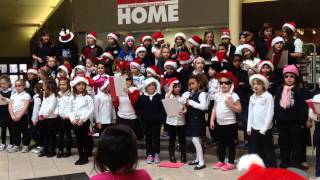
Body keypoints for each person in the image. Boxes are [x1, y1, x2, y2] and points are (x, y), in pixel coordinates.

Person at [274, 64, 309, 169]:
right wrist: (277, 118)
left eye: (292, 76)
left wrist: (302, 121)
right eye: (286, 76)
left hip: (296, 123)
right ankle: (285, 164)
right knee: (284, 145)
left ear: (296, 77)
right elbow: (277, 105)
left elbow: (303, 107)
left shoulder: (300, 90)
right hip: (282, 122)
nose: (289, 78)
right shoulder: (280, 89)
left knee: (296, 145)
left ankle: (295, 165)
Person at [210, 71, 241, 171]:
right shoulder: (217, 95)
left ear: (231, 84)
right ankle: (221, 160)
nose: (223, 84)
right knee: (221, 143)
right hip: (220, 123)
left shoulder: (233, 95)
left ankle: (231, 162)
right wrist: (211, 120)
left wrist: (231, 105)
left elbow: (239, 109)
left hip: (230, 124)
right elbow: (214, 108)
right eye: (221, 82)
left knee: (230, 144)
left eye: (226, 83)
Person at [247, 74, 276, 167]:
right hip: (254, 127)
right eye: (254, 84)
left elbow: (270, 113)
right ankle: (259, 167)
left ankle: (270, 168)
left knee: (268, 149)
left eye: (258, 84)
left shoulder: (268, 97)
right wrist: (249, 126)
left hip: (265, 129)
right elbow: (250, 112)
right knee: (256, 149)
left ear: (263, 85)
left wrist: (265, 128)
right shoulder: (252, 97)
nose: (255, 86)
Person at [136, 78, 166, 164]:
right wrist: (142, 117)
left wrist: (160, 118)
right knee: (148, 138)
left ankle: (156, 153)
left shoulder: (159, 96)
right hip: (145, 122)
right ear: (146, 87)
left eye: (153, 85)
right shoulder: (141, 98)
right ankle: (149, 154)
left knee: (156, 138)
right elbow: (139, 110)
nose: (151, 87)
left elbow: (163, 109)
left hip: (156, 122)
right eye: (149, 85)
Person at [69, 77, 94, 165]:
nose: (81, 86)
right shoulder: (72, 97)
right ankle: (81, 156)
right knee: (78, 140)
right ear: (75, 86)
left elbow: (90, 109)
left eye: (83, 85)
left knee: (85, 139)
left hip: (84, 122)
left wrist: (83, 119)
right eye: (79, 85)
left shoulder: (87, 97)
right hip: (76, 122)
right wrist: (72, 119)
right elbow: (70, 110)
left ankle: (85, 157)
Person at [185, 74, 208, 170]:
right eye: (190, 84)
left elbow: (203, 107)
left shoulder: (202, 94)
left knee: (195, 139)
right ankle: (198, 159)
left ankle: (202, 162)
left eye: (193, 83)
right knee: (196, 139)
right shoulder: (192, 93)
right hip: (192, 119)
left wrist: (190, 102)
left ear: (199, 83)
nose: (191, 86)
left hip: (198, 119)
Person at [231, 54, 251, 148]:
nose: (237, 62)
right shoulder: (230, 72)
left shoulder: (244, 72)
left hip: (243, 98)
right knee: (233, 119)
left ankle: (247, 139)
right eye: (235, 61)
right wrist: (239, 84)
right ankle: (234, 138)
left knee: (245, 119)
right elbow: (231, 85)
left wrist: (238, 84)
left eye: (239, 61)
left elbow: (247, 85)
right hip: (232, 98)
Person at [165, 78, 187, 163]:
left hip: (181, 121)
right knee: (172, 139)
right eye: (175, 87)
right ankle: (172, 155)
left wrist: (184, 112)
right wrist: (170, 88)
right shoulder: (169, 95)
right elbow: (166, 98)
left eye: (179, 86)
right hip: (171, 122)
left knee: (182, 139)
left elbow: (185, 109)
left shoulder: (182, 97)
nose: (177, 88)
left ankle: (183, 155)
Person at [8, 79, 31, 153]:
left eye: (19, 86)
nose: (17, 87)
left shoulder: (26, 95)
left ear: (24, 86)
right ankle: (16, 145)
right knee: (15, 131)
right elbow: (10, 106)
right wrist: (12, 115)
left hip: (23, 116)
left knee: (25, 131)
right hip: (14, 116)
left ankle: (25, 146)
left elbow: (25, 106)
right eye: (16, 86)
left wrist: (19, 116)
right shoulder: (13, 95)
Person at [38, 78, 58, 158]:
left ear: (50, 86)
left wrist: (44, 115)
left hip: (51, 118)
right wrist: (40, 114)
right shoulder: (45, 94)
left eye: (44, 86)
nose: (43, 87)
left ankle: (51, 151)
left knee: (51, 135)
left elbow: (51, 108)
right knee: (44, 135)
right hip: (44, 118)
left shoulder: (54, 96)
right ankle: (45, 150)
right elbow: (43, 105)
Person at [56, 78, 73, 158]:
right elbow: (56, 105)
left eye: (64, 84)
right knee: (60, 134)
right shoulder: (58, 94)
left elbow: (71, 106)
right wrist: (56, 113)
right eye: (60, 84)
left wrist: (68, 115)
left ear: (68, 85)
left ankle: (68, 150)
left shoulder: (71, 94)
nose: (62, 86)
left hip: (67, 117)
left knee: (68, 134)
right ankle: (60, 150)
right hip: (59, 117)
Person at [0, 75, 13, 151]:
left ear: (9, 83)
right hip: (2, 112)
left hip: (9, 112)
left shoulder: (12, 91)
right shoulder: (0, 91)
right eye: (1, 84)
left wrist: (5, 99)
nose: (2, 85)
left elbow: (12, 102)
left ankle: (11, 143)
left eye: (4, 83)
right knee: (3, 128)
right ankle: (3, 143)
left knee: (11, 128)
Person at [30, 82, 44, 154]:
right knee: (41, 133)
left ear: (35, 89)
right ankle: (41, 146)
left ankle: (40, 146)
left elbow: (36, 110)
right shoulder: (43, 96)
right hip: (43, 118)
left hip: (37, 119)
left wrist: (34, 120)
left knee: (38, 133)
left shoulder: (37, 98)